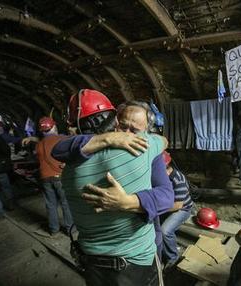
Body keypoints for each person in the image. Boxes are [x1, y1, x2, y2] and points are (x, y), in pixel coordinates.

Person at [57, 89, 168, 286]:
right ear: (115, 121)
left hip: (98, 259)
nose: (126, 135)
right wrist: (108, 139)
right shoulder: (146, 148)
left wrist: (128, 202)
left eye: (134, 131)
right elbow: (163, 141)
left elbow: (167, 197)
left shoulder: (68, 167)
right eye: (123, 127)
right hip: (132, 259)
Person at [29, 116, 73, 237]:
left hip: (45, 178)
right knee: (65, 203)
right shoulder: (63, 138)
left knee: (50, 204)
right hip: (59, 176)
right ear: (53, 127)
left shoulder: (38, 145)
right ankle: (70, 229)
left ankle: (54, 230)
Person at [160, 151, 193, 268]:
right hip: (167, 207)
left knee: (165, 231)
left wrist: (156, 208)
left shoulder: (177, 179)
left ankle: (173, 257)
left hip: (182, 209)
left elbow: (178, 205)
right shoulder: (160, 177)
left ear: (166, 167)